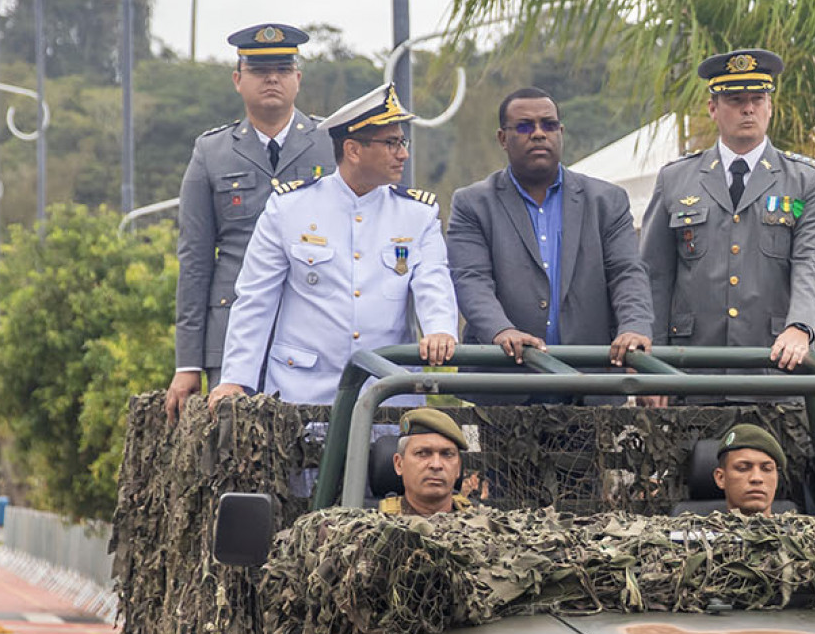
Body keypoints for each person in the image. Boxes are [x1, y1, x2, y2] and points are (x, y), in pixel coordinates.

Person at [210, 83, 458, 408]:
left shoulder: (418, 213)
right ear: (353, 150)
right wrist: (235, 379)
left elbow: (433, 281)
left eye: (403, 141)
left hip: (387, 393)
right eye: (391, 143)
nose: (403, 153)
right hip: (302, 391)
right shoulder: (289, 207)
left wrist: (440, 330)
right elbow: (256, 298)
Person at [168, 24, 335, 419]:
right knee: (237, 455)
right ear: (238, 80)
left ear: (298, 78)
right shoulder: (211, 152)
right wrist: (187, 361)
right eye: (260, 70)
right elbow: (195, 261)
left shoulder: (332, 144)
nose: (272, 78)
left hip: (313, 329)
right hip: (231, 333)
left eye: (282, 67)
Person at [640, 49, 815, 369]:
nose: (748, 109)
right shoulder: (675, 179)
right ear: (713, 108)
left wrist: (801, 326)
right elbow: (654, 275)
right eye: (735, 100)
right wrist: (654, 360)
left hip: (774, 367)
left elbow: (811, 262)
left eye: (758, 99)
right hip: (691, 369)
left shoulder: (805, 181)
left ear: (770, 107)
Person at [446, 87, 653, 367]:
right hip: (502, 379)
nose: (539, 133)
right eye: (524, 126)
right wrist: (501, 331)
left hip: (590, 380)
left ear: (561, 131)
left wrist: (634, 327)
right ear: (502, 138)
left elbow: (626, 273)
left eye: (549, 124)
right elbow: (471, 280)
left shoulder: (607, 201)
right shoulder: (473, 204)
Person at [379, 409, 473, 517]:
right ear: (399, 464)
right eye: (422, 453)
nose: (436, 465)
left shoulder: (485, 525)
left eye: (447, 454)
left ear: (458, 468)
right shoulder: (370, 525)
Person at [714, 423, 785, 515]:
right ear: (721, 478)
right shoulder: (696, 528)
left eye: (767, 469)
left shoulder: (802, 528)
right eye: (743, 468)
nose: (756, 478)